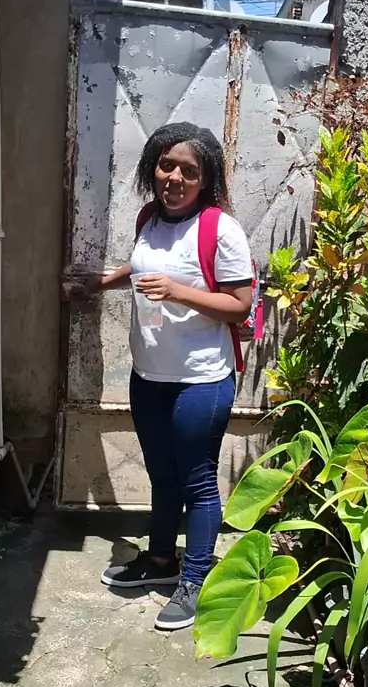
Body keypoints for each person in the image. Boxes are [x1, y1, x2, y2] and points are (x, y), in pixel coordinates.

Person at [91, 123, 252, 630]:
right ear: (152, 167)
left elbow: (239, 305)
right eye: (166, 166)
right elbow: (143, 267)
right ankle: (160, 560)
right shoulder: (148, 218)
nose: (175, 178)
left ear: (206, 179)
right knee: (162, 475)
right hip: (149, 376)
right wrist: (102, 281)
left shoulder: (220, 230)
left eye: (189, 170)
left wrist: (179, 291)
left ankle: (196, 579)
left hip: (201, 380)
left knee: (197, 481)